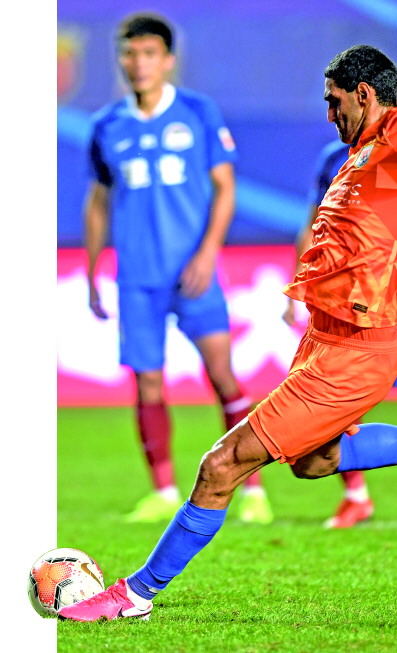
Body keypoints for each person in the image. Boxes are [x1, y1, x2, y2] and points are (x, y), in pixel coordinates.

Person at [60, 8, 397, 622]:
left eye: (334, 102)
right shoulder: (353, 153)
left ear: (364, 94)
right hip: (325, 340)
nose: (329, 114)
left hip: (357, 349)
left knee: (220, 466)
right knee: (313, 462)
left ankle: (134, 595)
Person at [84, 13, 273, 525]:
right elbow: (99, 201)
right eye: (129, 53)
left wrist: (208, 252)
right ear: (121, 59)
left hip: (193, 274)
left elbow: (225, 187)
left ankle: (252, 491)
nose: (138, 63)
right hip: (137, 277)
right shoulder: (107, 125)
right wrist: (93, 269)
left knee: (222, 374)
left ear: (167, 60)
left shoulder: (197, 112)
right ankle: (163, 492)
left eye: (148, 53)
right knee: (147, 384)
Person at [283, 70, 397, 529]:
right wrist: (297, 288)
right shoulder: (335, 158)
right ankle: (356, 497)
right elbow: (313, 225)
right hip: (346, 303)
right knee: (338, 408)